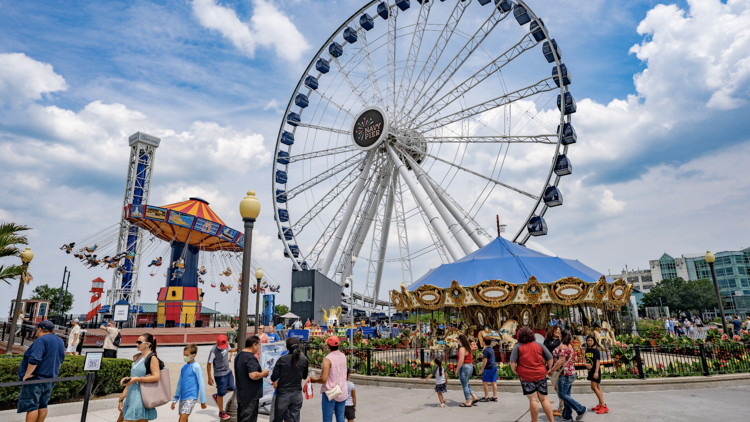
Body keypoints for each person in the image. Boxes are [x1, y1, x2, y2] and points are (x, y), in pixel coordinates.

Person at [17, 320, 65, 422]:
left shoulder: (41, 340)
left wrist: (27, 375)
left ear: (40, 329)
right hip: (50, 379)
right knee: (43, 405)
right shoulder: (60, 341)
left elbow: (34, 360)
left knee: (32, 406)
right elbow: (60, 361)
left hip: (36, 379)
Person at [509, 327, 555, 422]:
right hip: (540, 374)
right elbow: (550, 358)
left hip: (526, 376)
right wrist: (549, 369)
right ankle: (552, 421)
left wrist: (516, 371)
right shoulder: (539, 345)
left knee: (533, 400)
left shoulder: (518, 347)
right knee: (544, 399)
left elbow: (512, 362)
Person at [120, 333, 162, 422]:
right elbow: (134, 376)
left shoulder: (152, 358)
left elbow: (156, 376)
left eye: (139, 342)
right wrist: (127, 379)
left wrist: (138, 379)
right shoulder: (139, 357)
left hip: (141, 397)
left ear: (147, 344)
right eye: (137, 342)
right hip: (132, 396)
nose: (137, 344)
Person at [550, 330, 587, 421]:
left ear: (561, 336)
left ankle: (580, 409)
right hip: (570, 373)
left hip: (565, 374)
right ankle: (567, 415)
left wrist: (552, 370)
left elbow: (561, 361)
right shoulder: (569, 345)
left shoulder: (563, 346)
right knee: (566, 395)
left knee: (562, 395)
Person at [311, 336, 349, 422]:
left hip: (330, 393)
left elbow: (324, 379)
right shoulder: (343, 356)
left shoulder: (327, 359)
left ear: (328, 346)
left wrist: (314, 380)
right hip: (342, 390)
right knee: (340, 418)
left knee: (327, 419)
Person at [270, 337, 308, 422]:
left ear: (287, 347)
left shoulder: (282, 359)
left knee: (278, 419)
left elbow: (273, 377)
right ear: (298, 346)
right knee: (294, 419)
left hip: (283, 394)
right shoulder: (304, 359)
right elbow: (304, 376)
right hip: (297, 394)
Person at [234, 335, 269, 422]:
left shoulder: (239, 355)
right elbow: (253, 375)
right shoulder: (250, 357)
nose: (258, 349)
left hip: (242, 394)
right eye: (258, 346)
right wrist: (263, 374)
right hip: (250, 396)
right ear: (254, 345)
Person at [172, 344, 207, 421]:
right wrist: (175, 399)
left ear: (193, 355)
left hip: (191, 397)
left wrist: (203, 401)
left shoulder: (197, 367)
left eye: (187, 355)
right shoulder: (183, 367)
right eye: (184, 354)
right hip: (183, 397)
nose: (184, 356)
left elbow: (201, 384)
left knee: (181, 420)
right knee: (184, 419)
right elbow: (179, 384)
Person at [207, 335, 236, 420]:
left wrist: (239, 349)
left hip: (228, 371)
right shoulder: (213, 351)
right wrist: (209, 377)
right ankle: (221, 412)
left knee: (232, 387)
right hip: (220, 375)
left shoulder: (226, 344)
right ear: (217, 343)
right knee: (221, 393)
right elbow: (208, 364)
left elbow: (230, 349)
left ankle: (217, 396)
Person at [543, 324, 563, 416]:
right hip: (549, 366)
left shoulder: (561, 341)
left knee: (560, 388)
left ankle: (562, 408)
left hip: (557, 366)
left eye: (559, 330)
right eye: (556, 330)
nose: (558, 331)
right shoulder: (546, 341)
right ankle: (561, 406)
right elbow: (543, 353)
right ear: (552, 330)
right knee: (556, 387)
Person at [584, 335, 607, 414]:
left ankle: (603, 406)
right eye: (588, 340)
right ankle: (601, 404)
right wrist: (586, 364)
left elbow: (597, 361)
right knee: (597, 387)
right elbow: (585, 359)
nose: (589, 342)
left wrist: (596, 372)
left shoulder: (595, 350)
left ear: (594, 342)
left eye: (591, 340)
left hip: (595, 371)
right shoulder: (587, 350)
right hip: (590, 370)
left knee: (593, 387)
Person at [457, 333, 479, 407]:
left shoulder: (462, 349)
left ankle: (468, 401)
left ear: (460, 340)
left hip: (464, 367)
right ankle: (474, 396)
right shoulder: (469, 347)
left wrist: (457, 369)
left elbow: (461, 361)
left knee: (464, 385)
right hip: (470, 366)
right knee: (465, 383)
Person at [478, 335, 497, 402]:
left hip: (488, 368)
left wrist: (482, 369)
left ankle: (486, 397)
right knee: (493, 382)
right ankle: (494, 396)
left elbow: (485, 361)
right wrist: (482, 355)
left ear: (484, 342)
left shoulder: (485, 350)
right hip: (494, 366)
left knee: (484, 381)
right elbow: (489, 356)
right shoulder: (491, 348)